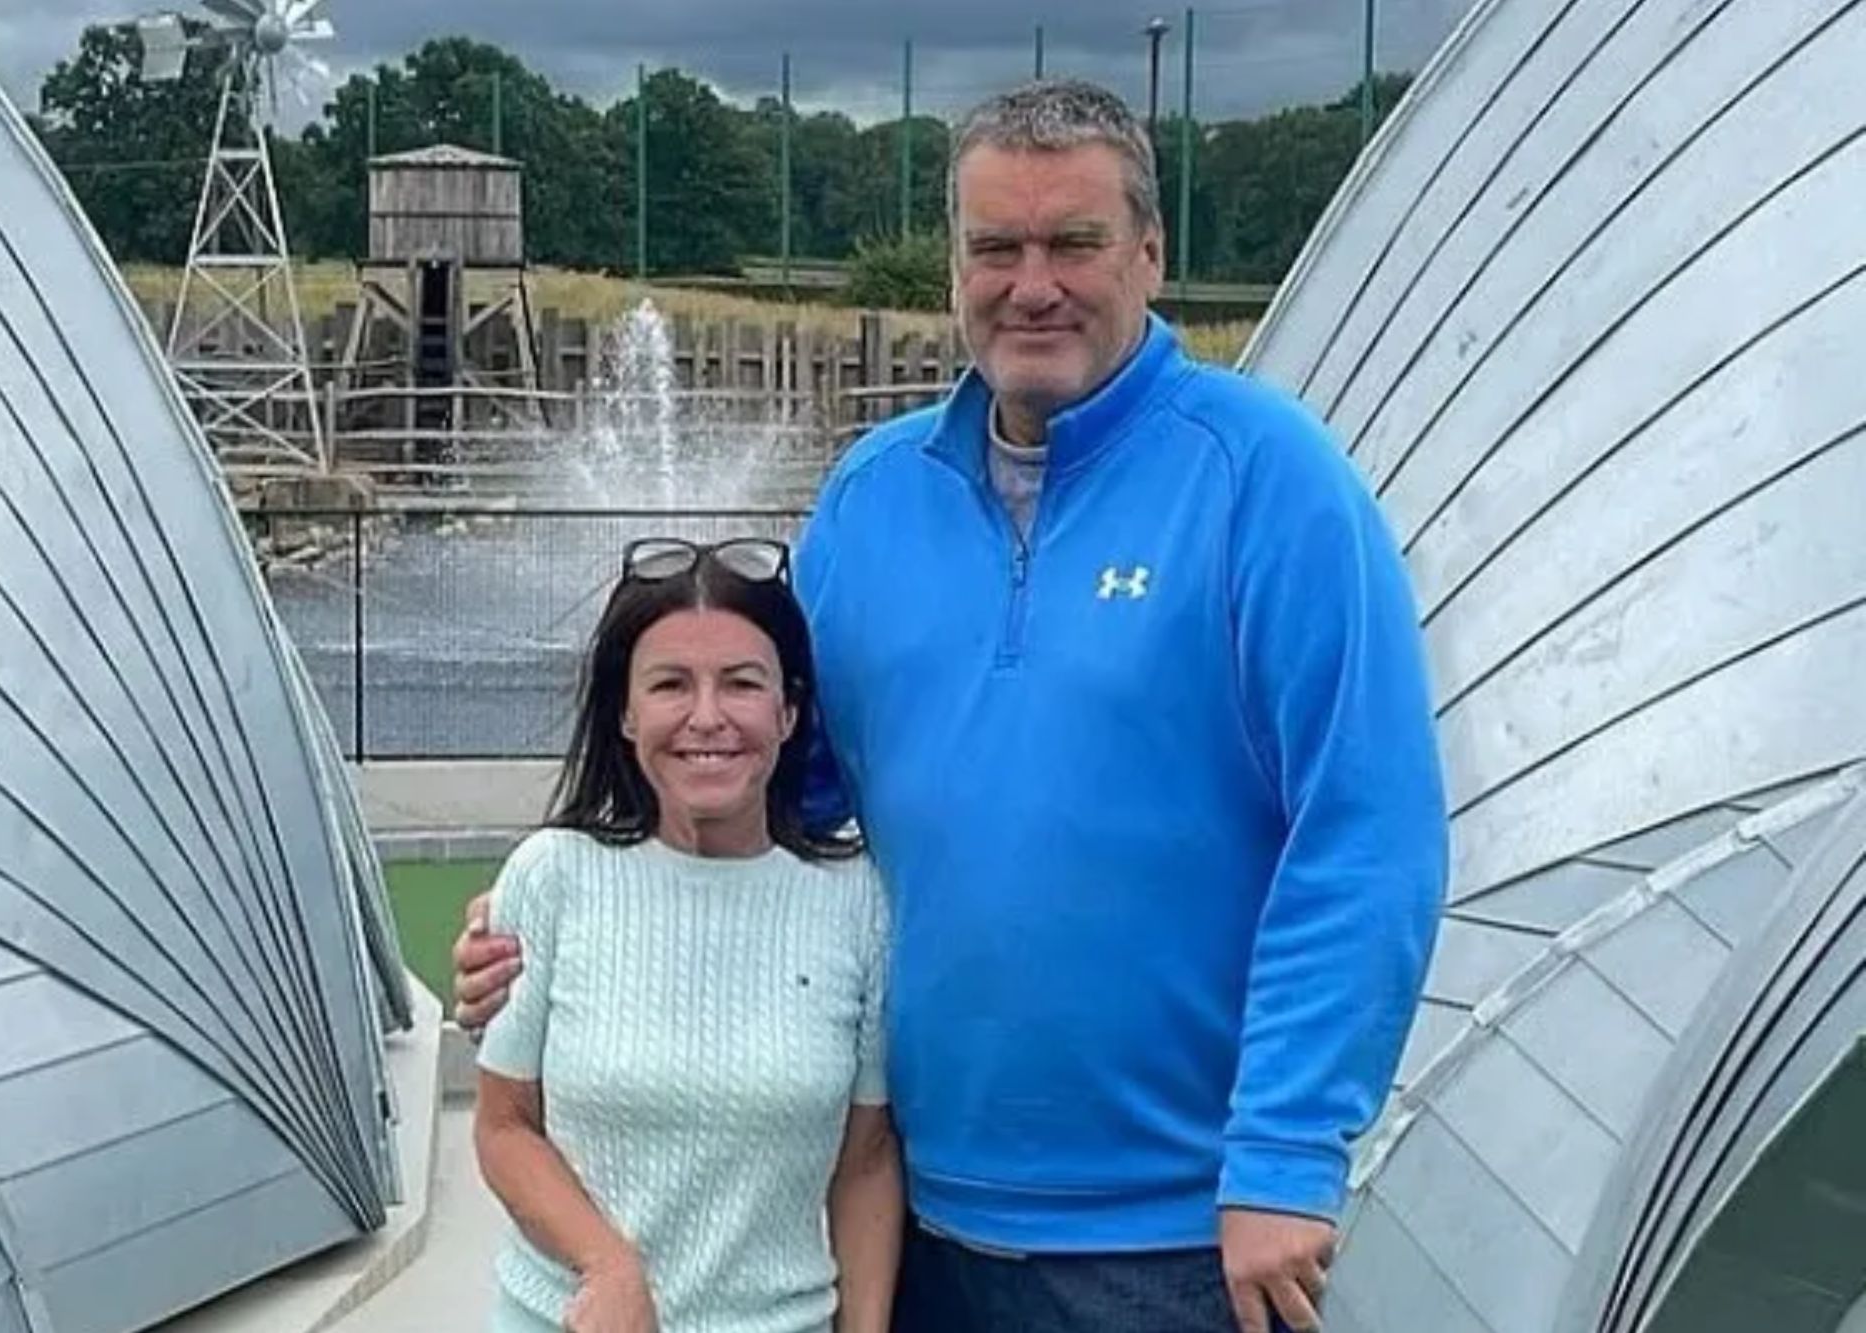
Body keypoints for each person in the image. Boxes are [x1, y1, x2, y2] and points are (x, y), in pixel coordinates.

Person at [460, 80, 1447, 1333]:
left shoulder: (1271, 481)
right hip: (917, 1221)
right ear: (954, 268)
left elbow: (1367, 833)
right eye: (995, 247)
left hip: (1179, 1238)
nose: (1031, 283)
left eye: (1073, 243)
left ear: (1148, 251)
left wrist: (1287, 1154)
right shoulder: (874, 498)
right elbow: (779, 793)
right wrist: (552, 909)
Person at [471, 536, 902, 1333]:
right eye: (671, 685)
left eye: (742, 684)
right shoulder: (550, 876)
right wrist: (609, 1264)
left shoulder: (856, 900)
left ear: (789, 710)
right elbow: (503, 1125)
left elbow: (866, 1160)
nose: (708, 717)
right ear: (628, 714)